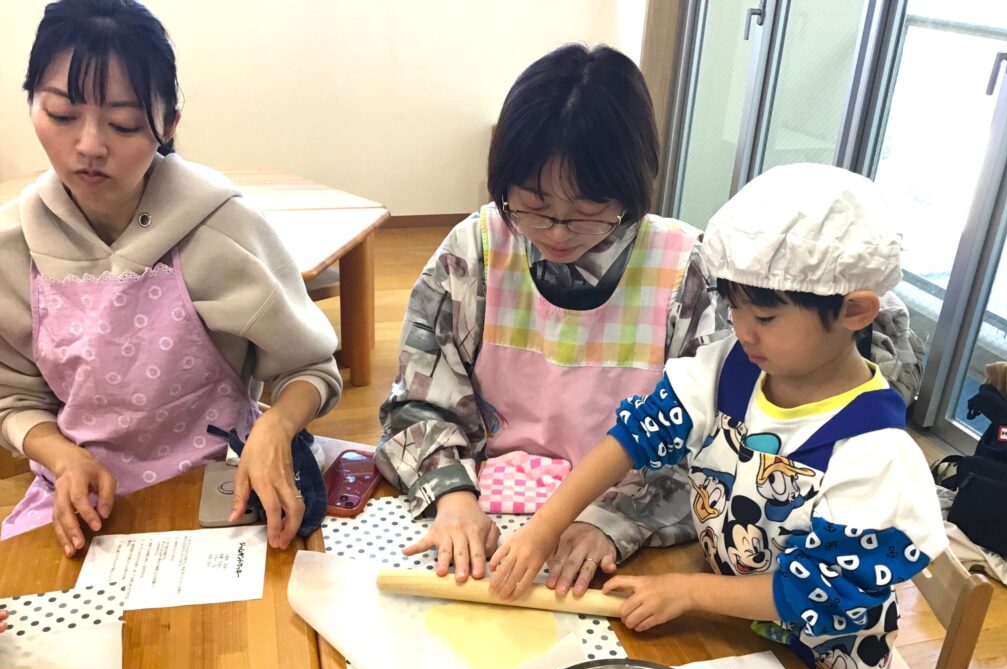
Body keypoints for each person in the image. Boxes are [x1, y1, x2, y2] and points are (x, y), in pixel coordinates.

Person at [489, 163, 948, 669]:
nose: (742, 330)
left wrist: (685, 590)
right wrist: (545, 525)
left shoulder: (872, 451)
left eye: (765, 316)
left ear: (854, 312)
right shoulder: (730, 369)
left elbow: (807, 593)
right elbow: (634, 437)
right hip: (726, 627)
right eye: (733, 308)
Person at [0, 0, 342, 553]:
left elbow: (311, 367)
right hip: (80, 504)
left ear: (168, 124)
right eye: (61, 115)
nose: (89, 145)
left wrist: (276, 426)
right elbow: (13, 401)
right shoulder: (14, 247)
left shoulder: (222, 229)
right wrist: (61, 457)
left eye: (124, 123)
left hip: (221, 487)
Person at [375, 43, 716, 594]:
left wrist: (615, 522)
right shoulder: (478, 249)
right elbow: (417, 399)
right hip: (482, 515)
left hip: (622, 531)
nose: (557, 233)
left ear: (632, 191)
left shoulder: (685, 271)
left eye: (585, 212)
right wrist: (452, 494)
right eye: (532, 206)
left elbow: (717, 442)